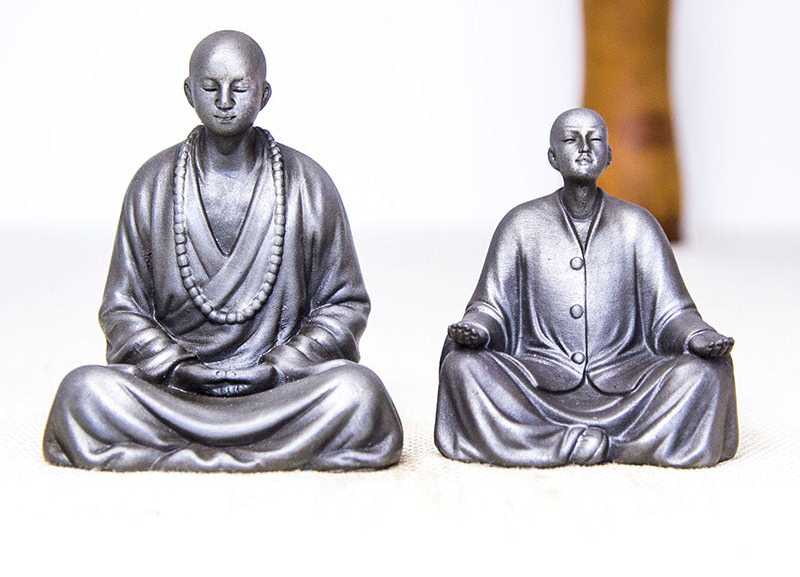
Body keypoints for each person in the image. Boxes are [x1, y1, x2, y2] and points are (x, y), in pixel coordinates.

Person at [43, 30, 403, 471]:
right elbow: (122, 309)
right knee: (83, 392)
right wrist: (174, 367)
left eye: (241, 87)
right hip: (176, 393)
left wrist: (281, 366)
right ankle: (266, 450)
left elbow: (344, 304)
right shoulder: (153, 184)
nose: (225, 100)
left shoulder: (308, 185)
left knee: (359, 394)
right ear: (189, 92)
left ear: (265, 94)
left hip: (277, 392)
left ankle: (188, 450)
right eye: (211, 88)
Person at [435, 108, 737, 468]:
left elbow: (673, 312)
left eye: (594, 139)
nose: (583, 147)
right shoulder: (520, 225)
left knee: (707, 374)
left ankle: (620, 447)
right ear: (552, 157)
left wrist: (697, 337)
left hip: (628, 380)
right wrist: (478, 329)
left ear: (608, 155)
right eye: (570, 139)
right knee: (463, 368)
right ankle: (557, 442)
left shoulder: (637, 226)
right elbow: (491, 307)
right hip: (537, 381)